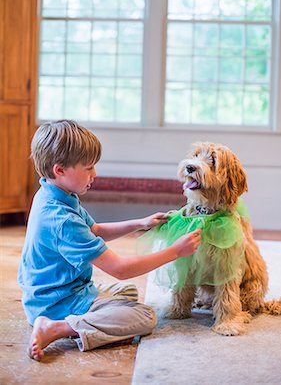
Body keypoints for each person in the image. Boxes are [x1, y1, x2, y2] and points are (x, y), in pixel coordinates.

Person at [18, 120, 201, 361]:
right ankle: (56, 328)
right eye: (89, 167)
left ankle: (95, 324)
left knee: (127, 293)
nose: (95, 174)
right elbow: (120, 269)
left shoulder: (55, 194)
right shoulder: (60, 218)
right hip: (54, 304)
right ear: (59, 170)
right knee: (145, 317)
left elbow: (94, 229)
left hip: (56, 292)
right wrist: (176, 251)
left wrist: (139, 223)